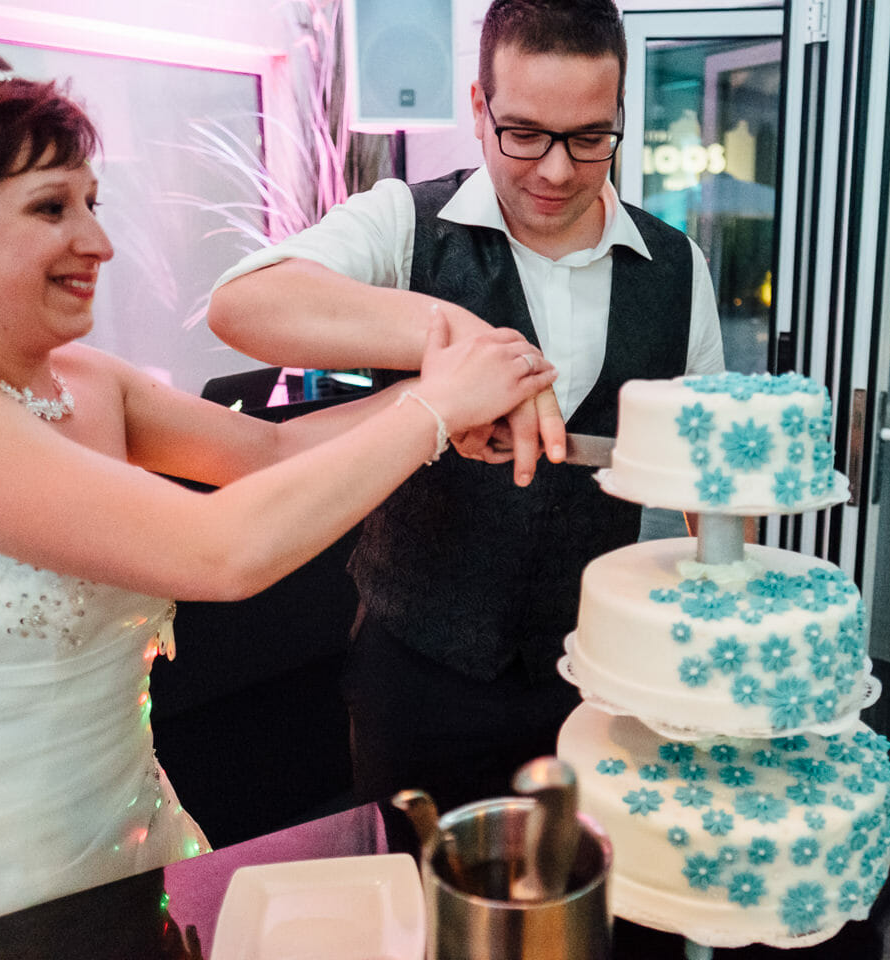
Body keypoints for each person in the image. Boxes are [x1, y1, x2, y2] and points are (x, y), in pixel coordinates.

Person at [0, 41, 556, 960]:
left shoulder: (88, 381)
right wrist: (432, 408)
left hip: (126, 842)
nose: (99, 242)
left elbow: (266, 453)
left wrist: (442, 410)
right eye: (50, 208)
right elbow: (215, 551)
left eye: (91, 204)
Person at [206, 0, 725, 810]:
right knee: (422, 902)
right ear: (480, 109)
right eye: (524, 133)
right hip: (417, 674)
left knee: (582, 912)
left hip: (597, 677)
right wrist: (458, 337)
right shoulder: (403, 223)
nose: (556, 170)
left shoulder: (677, 266)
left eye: (589, 137)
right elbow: (244, 307)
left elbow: (711, 477)